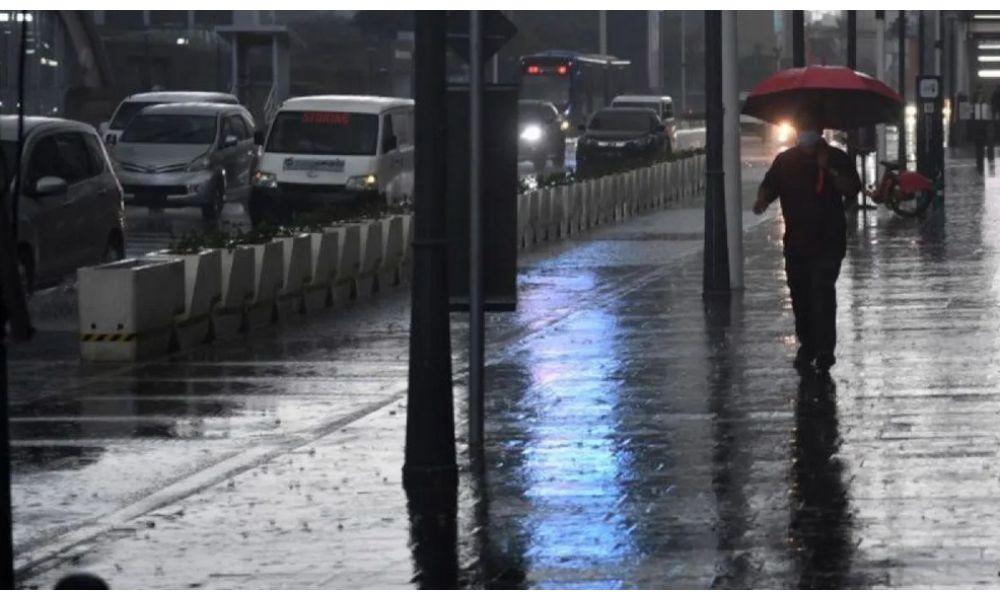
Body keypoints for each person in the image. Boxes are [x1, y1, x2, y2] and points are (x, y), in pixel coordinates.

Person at [753, 115, 862, 373]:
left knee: (823, 291)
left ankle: (825, 349)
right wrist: (762, 201)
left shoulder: (835, 158)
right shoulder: (785, 161)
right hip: (797, 243)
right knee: (800, 295)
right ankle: (808, 344)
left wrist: (829, 170)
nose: (806, 133)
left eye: (811, 128)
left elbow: (852, 189)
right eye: (803, 128)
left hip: (828, 241)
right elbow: (769, 187)